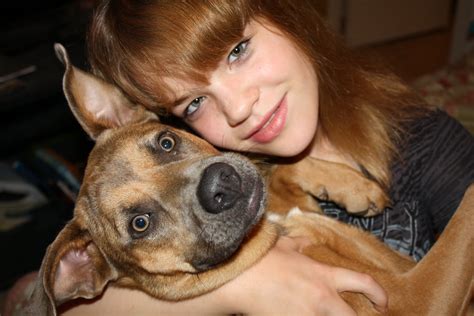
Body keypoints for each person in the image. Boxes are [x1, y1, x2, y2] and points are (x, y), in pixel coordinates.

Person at [4, 0, 473, 315]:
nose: (240, 107)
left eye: (237, 50)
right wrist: (236, 288)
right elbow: (21, 298)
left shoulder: (427, 149)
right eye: (193, 103)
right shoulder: (230, 156)